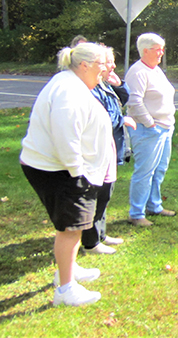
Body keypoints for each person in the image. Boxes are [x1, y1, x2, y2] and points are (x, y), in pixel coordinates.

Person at [20, 42, 114, 306]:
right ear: (84, 65)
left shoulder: (72, 83)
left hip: (62, 168)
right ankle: (65, 289)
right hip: (61, 170)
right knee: (71, 228)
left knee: (73, 226)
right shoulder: (69, 91)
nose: (106, 69)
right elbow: (66, 136)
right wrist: (78, 172)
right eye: (101, 64)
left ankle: (68, 270)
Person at [83, 45, 135, 255]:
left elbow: (123, 99)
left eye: (113, 62)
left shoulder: (105, 84)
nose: (113, 66)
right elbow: (102, 118)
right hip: (98, 148)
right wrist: (122, 119)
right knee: (97, 193)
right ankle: (91, 241)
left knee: (106, 192)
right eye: (108, 62)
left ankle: (101, 234)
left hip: (111, 146)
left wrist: (120, 84)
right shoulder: (92, 88)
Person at [126, 33, 176, 227]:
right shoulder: (138, 72)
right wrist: (150, 124)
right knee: (145, 172)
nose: (161, 53)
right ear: (145, 51)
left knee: (159, 170)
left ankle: (154, 206)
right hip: (148, 130)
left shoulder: (155, 70)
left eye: (162, 49)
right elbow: (134, 102)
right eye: (157, 49)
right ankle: (136, 214)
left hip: (165, 127)